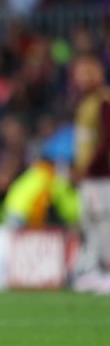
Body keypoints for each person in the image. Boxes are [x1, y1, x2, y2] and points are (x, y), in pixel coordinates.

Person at [71, 54, 110, 294]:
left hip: (101, 174)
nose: (78, 80)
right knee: (91, 222)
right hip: (89, 176)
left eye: (83, 75)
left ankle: (107, 270)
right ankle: (95, 271)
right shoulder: (85, 104)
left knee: (104, 222)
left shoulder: (103, 101)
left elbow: (106, 139)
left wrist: (90, 166)